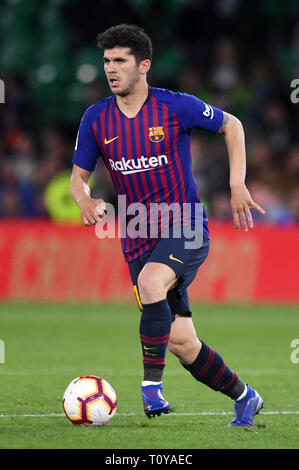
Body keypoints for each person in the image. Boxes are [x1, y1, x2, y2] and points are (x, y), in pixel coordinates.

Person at [70, 24, 265, 426]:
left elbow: (233, 125)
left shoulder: (174, 107)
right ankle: (245, 396)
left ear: (143, 66)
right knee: (181, 342)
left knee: (151, 283)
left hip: (187, 226)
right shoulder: (95, 120)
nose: (111, 68)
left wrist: (236, 182)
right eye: (107, 61)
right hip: (138, 237)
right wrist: (85, 200)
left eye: (120, 60)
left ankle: (151, 389)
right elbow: (78, 177)